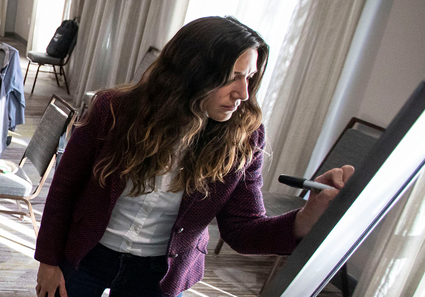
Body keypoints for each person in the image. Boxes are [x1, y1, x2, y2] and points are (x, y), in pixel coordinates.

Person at [34, 16, 353, 297]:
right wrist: (48, 261)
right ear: (190, 73)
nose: (243, 93)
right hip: (86, 252)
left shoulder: (244, 137)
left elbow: (243, 231)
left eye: (249, 77)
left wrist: (305, 218)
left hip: (160, 272)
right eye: (232, 77)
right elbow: (64, 190)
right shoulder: (114, 110)